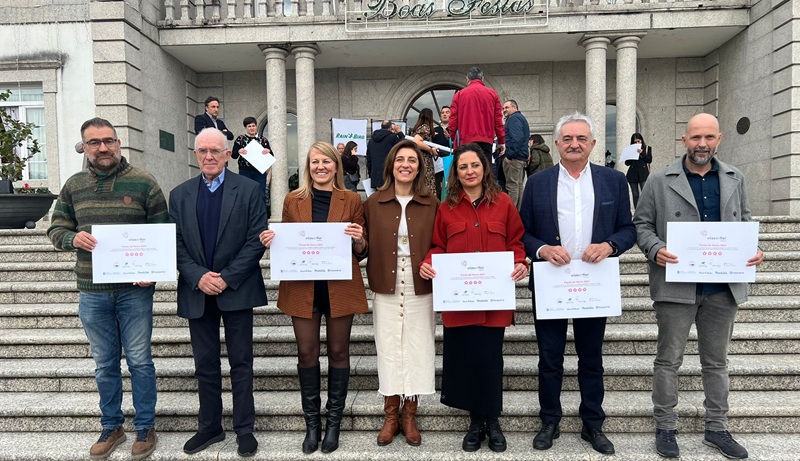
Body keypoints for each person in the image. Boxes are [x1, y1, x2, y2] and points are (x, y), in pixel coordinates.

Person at [633, 113, 764, 460]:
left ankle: (717, 429)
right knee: (668, 360)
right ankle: (665, 427)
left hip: (722, 287)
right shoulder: (660, 179)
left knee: (716, 363)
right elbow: (641, 223)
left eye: (708, 137)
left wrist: (755, 249)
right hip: (676, 285)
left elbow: (746, 222)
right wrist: (654, 248)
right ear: (684, 140)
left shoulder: (736, 177)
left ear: (719, 139)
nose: (701, 144)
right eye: (695, 138)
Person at [47, 117, 168, 460]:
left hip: (134, 291)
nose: (103, 147)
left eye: (108, 140)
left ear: (119, 143)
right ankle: (112, 425)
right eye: (94, 142)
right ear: (84, 147)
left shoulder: (144, 183)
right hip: (92, 290)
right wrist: (72, 238)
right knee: (104, 363)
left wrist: (152, 271)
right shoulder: (73, 185)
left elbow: (163, 233)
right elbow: (56, 230)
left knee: (141, 361)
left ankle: (145, 427)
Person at [519, 112, 636, 456]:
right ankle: (550, 421)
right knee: (550, 359)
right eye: (567, 139)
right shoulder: (537, 183)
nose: (574, 144)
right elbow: (521, 232)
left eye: (581, 139)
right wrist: (541, 248)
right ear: (556, 144)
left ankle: (592, 424)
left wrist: (610, 245)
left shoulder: (614, 181)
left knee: (591, 358)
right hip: (551, 283)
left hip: (592, 284)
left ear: (593, 144)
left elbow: (628, 229)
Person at [259, 142, 368, 454]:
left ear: (336, 166)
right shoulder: (293, 199)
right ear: (308, 167)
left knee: (339, 353)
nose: (321, 167)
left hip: (339, 287)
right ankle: (313, 424)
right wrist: (272, 241)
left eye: (326, 162)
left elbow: (363, 250)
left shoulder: (351, 199)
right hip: (302, 287)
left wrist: (359, 240)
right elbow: (289, 243)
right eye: (314, 162)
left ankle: (333, 424)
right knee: (306, 354)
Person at [420, 143, 528, 454]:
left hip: (493, 302)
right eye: (463, 167)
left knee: (490, 360)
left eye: (474, 166)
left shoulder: (504, 203)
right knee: (466, 360)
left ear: (485, 169)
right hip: (459, 301)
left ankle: (492, 421)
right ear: (456, 172)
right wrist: (429, 262)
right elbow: (438, 246)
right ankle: (474, 421)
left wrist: (521, 262)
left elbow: (515, 241)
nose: (469, 171)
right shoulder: (447, 207)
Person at [170, 128, 267, 457]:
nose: (209, 156)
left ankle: (244, 429)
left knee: (241, 363)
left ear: (229, 154)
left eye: (215, 151)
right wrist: (198, 276)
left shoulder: (250, 189)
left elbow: (257, 238)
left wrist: (226, 277)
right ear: (195, 155)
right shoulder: (179, 194)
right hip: (198, 291)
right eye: (202, 151)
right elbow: (175, 243)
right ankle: (209, 426)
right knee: (205, 364)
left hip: (236, 288)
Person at [363, 140, 438, 447]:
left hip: (420, 282)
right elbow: (363, 246)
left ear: (419, 167)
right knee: (389, 346)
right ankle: (390, 414)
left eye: (412, 160)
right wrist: (357, 242)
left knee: (419, 346)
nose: (406, 164)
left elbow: (441, 243)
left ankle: (410, 414)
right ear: (391, 165)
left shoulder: (431, 203)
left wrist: (432, 261)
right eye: (400, 160)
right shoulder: (373, 202)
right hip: (387, 281)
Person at [448, 67, 505, 164]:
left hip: (466, 141)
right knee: (485, 170)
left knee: (468, 171)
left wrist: (452, 137)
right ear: (482, 78)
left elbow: (453, 120)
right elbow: (498, 120)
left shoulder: (459, 95)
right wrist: (501, 140)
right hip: (486, 140)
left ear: (467, 79)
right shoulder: (493, 94)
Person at [232, 117, 273, 218]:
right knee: (245, 194)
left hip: (259, 171)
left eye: (253, 126)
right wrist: (239, 151)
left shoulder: (263, 140)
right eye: (249, 126)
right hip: (245, 171)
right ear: (246, 128)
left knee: (261, 194)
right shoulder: (240, 139)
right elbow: (233, 155)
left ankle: (262, 217)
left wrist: (267, 151)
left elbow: (271, 155)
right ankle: (245, 217)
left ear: (256, 126)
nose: (252, 128)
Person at [501, 99, 530, 210]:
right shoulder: (520, 118)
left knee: (512, 186)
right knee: (518, 185)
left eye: (507, 107)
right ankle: (517, 213)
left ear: (515, 108)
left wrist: (509, 155)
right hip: (520, 157)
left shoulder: (514, 119)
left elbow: (517, 139)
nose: (504, 110)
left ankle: (512, 213)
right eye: (503, 108)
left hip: (514, 158)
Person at [410, 108, 440, 196]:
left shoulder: (417, 128)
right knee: (427, 183)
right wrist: (430, 149)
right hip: (424, 160)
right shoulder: (425, 127)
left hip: (418, 158)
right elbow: (417, 141)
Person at [367, 120, 404, 190]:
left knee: (378, 199)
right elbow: (403, 145)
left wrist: (371, 174)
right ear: (390, 128)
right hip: (388, 175)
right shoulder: (392, 137)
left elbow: (369, 160)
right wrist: (399, 132)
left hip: (375, 176)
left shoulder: (371, 141)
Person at [625, 132, 653, 207]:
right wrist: (631, 154)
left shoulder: (647, 148)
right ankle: (637, 212)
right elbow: (627, 163)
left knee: (645, 193)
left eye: (638, 141)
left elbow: (649, 160)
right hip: (633, 173)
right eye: (635, 142)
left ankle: (645, 211)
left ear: (641, 140)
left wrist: (642, 153)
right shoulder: (630, 149)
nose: (637, 143)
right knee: (635, 194)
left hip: (643, 173)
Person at [432, 106, 452, 197]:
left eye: (447, 112)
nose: (444, 114)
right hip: (437, 163)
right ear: (440, 116)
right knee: (438, 186)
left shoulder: (454, 130)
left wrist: (450, 138)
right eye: (442, 112)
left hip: (451, 161)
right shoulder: (434, 130)